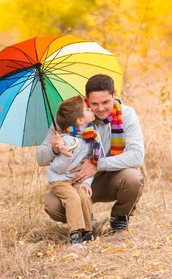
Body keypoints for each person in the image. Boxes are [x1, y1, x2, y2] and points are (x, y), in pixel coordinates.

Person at [36, 74, 145, 233]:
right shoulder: (70, 116)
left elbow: (137, 156)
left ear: (114, 94)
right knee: (52, 206)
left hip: (111, 178)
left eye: (105, 102)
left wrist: (96, 164)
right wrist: (54, 149)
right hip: (75, 181)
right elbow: (40, 158)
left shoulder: (127, 115)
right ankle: (88, 221)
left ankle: (119, 217)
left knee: (133, 179)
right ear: (87, 98)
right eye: (94, 104)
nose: (100, 109)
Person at [46, 95, 97, 245]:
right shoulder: (67, 140)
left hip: (74, 177)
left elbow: (90, 164)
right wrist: (66, 155)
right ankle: (75, 234)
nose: (91, 109)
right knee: (72, 198)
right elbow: (57, 167)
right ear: (80, 120)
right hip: (59, 179)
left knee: (83, 194)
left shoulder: (88, 136)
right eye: (87, 109)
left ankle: (88, 231)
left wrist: (86, 182)